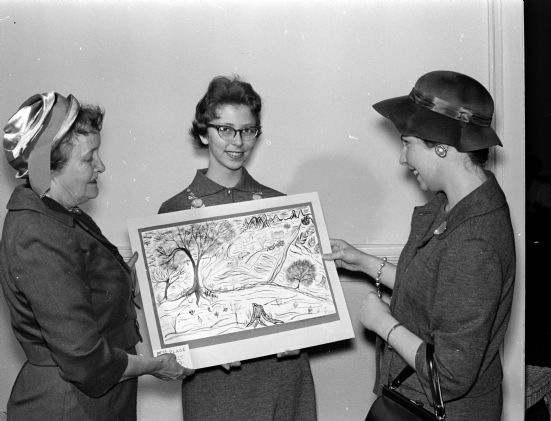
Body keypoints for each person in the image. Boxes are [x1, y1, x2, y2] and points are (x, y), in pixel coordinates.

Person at [323, 70, 516, 420]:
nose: (402, 158)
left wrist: (383, 323)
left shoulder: (476, 240)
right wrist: (363, 262)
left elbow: (449, 376)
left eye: (407, 143)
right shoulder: (455, 205)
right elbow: (439, 292)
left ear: (441, 147)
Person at [0, 92, 194, 421]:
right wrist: (156, 365)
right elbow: (85, 359)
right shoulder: (37, 232)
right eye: (89, 158)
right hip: (67, 406)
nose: (101, 166)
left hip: (94, 403)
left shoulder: (61, 215)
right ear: (49, 167)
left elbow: (82, 292)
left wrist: (121, 283)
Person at [158, 75, 317, 421]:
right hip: (216, 384)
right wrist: (204, 348)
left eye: (247, 130)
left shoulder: (282, 205)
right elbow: (173, 323)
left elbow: (305, 303)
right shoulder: (172, 213)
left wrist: (303, 333)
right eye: (225, 129)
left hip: (281, 375)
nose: (238, 142)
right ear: (203, 132)